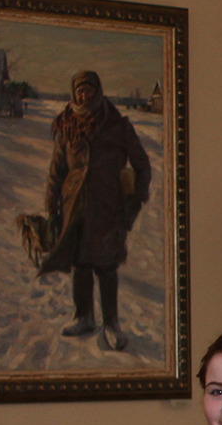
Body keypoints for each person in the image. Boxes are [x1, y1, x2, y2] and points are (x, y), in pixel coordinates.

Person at [36, 69, 152, 351]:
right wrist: (52, 207)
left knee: (107, 265)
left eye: (88, 89)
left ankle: (111, 323)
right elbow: (57, 170)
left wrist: (133, 202)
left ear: (98, 91)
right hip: (74, 206)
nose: (83, 94)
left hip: (108, 208)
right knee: (80, 264)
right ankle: (84, 317)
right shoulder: (66, 126)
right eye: (79, 90)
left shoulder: (117, 125)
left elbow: (142, 165)